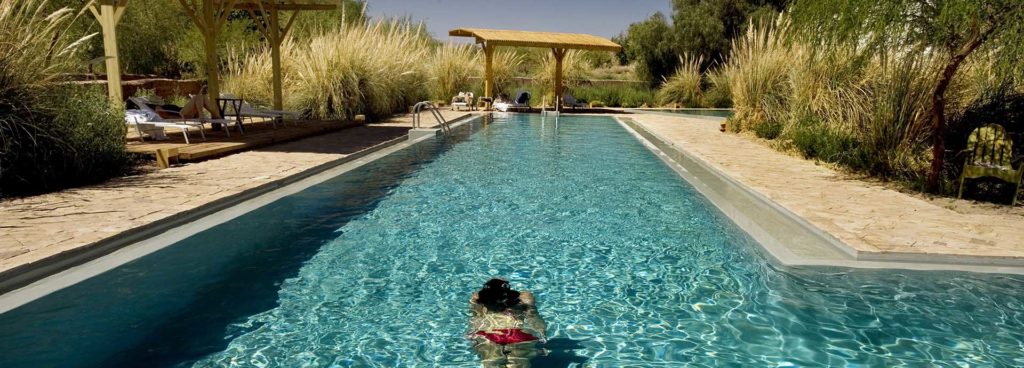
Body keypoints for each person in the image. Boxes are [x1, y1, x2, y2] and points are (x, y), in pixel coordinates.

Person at [468, 279, 547, 368]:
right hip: (517, 333)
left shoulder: (479, 298)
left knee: (492, 364)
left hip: (488, 334)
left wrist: (472, 333)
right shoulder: (524, 297)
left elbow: (476, 317)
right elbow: (533, 317)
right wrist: (542, 333)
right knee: (518, 364)